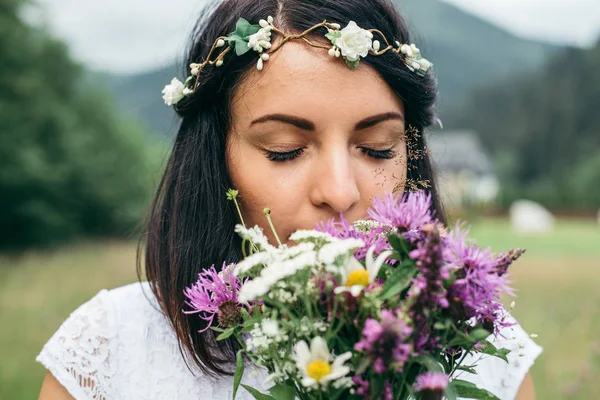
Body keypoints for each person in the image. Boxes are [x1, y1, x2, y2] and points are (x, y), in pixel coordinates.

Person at [37, 0, 541, 398]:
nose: (340, 192)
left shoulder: (479, 347)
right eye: (286, 151)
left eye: (377, 148)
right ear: (215, 159)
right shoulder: (108, 349)